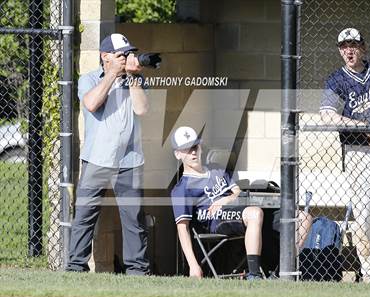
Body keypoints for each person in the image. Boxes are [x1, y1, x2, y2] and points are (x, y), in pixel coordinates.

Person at [320, 28, 370, 282]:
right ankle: (368, 270)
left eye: (354, 45)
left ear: (363, 47)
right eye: (344, 46)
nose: (349, 50)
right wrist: (361, 126)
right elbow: (327, 115)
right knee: (364, 213)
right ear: (340, 51)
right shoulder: (336, 80)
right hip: (357, 153)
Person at [66, 33, 150, 275]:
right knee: (84, 215)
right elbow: (92, 104)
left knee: (133, 218)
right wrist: (112, 75)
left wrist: (132, 78)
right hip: (97, 159)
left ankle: (137, 271)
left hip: (129, 160)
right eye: (120, 54)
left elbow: (142, 109)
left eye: (127, 53)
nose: (125, 58)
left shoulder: (136, 79)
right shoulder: (89, 79)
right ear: (105, 56)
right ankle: (75, 267)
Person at [170, 126, 265, 280]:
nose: (193, 152)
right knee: (255, 213)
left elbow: (238, 192)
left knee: (297, 217)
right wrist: (193, 265)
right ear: (178, 154)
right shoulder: (182, 189)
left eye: (195, 146)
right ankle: (254, 275)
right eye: (186, 149)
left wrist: (225, 199)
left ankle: (279, 270)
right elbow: (183, 229)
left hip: (236, 209)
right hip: (215, 219)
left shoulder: (217, 170)